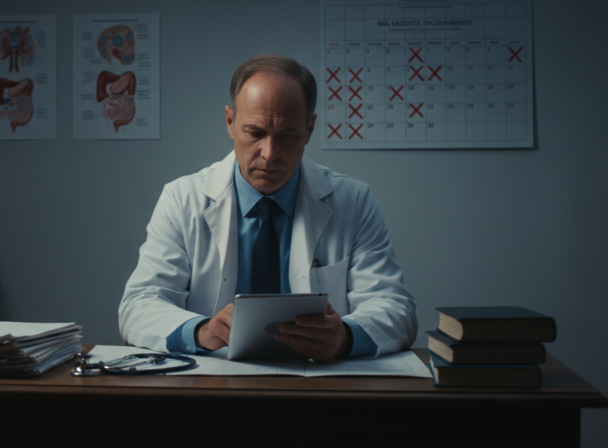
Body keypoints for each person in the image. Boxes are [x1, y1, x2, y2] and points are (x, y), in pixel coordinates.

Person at [118, 54, 417, 361]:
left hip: (319, 383)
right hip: (211, 386)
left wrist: (346, 336)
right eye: (255, 133)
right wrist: (201, 330)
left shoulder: (353, 201)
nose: (270, 153)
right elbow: (139, 306)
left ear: (309, 129)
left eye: (287, 135)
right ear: (230, 122)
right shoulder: (182, 199)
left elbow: (396, 308)